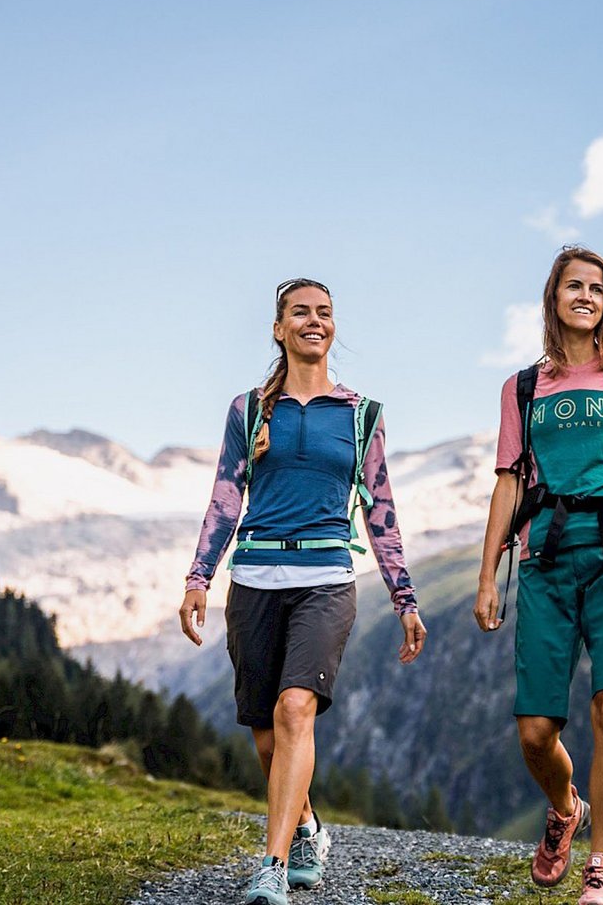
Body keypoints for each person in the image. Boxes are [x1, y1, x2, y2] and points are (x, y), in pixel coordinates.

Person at [179, 278, 426, 905]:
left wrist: (403, 597)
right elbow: (226, 497)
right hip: (255, 579)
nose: (314, 321)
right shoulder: (248, 411)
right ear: (278, 327)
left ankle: (273, 864)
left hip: (326, 581)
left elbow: (382, 510)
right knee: (266, 734)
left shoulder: (362, 413)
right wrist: (198, 578)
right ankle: (310, 826)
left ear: (333, 327)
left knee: (295, 711)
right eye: (300, 312)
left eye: (324, 313)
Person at [473, 246, 603, 905]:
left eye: (596, 288)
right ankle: (566, 808)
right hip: (543, 560)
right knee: (536, 730)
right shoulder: (524, 388)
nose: (585, 296)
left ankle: (601, 868)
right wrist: (489, 574)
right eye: (573, 286)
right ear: (554, 298)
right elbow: (508, 484)